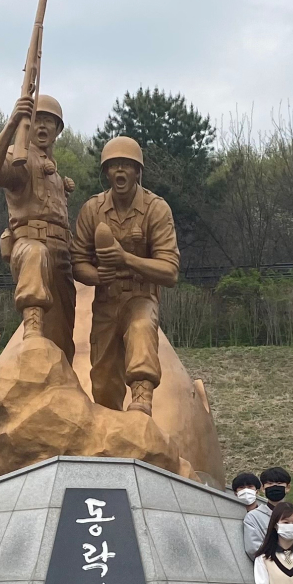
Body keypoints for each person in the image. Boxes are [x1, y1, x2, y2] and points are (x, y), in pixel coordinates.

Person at [69, 135, 179, 414]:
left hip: (140, 297)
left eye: (126, 165)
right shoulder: (92, 209)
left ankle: (142, 401)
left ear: (138, 171)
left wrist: (126, 259)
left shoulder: (156, 209)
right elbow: (77, 262)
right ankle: (110, 428)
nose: (120, 171)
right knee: (103, 381)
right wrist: (97, 276)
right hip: (106, 302)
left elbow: (169, 271)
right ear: (106, 172)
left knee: (141, 328)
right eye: (113, 165)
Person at [0, 92, 77, 352]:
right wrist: (11, 125)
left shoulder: (55, 171)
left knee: (63, 341)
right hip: (28, 246)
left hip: (62, 256)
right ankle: (31, 326)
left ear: (57, 130)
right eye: (35, 120)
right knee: (35, 253)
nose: (42, 126)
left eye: (48, 121)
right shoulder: (19, 158)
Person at [242, 467, 293, 559]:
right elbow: (254, 549)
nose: (275, 486)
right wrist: (283, 563)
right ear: (263, 488)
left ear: (288, 487)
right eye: (270, 483)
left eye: (279, 483)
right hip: (269, 569)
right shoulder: (253, 517)